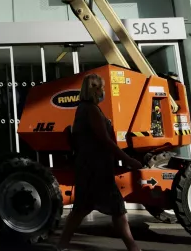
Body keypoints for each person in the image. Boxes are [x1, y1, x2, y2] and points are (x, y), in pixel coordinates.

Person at [55, 73, 144, 251]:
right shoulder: (91, 110)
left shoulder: (84, 108)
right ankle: (133, 248)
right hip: (97, 168)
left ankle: (62, 246)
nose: (103, 90)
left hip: (89, 166)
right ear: (93, 90)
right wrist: (128, 159)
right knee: (117, 209)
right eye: (100, 87)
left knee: (82, 208)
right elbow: (104, 140)